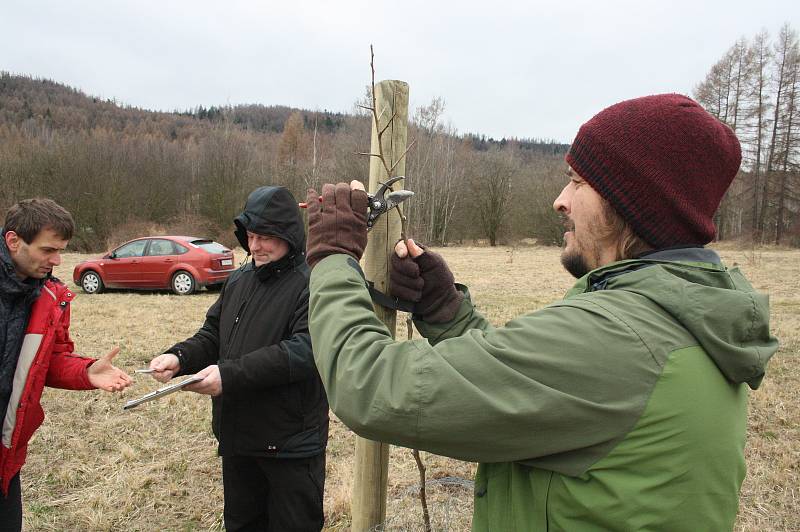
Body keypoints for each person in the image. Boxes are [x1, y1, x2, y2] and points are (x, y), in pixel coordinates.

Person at [304, 94, 778, 530]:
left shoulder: (620, 338)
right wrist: (446, 311)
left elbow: (371, 385)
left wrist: (331, 256)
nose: (560, 201)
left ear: (630, 203)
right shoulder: (688, 317)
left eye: (577, 182)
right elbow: (538, 393)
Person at [149, 186, 328, 532]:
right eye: (251, 236)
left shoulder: (312, 284)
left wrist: (228, 376)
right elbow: (213, 335)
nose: (256, 246)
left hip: (290, 444)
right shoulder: (240, 279)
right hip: (239, 438)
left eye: (266, 237)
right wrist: (179, 357)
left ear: (289, 235)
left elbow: (305, 351)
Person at [0, 198, 132, 530]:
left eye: (61, 250)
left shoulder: (51, 298)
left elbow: (52, 360)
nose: (57, 261)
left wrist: (87, 371)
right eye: (48, 250)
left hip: (6, 451)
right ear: (13, 240)